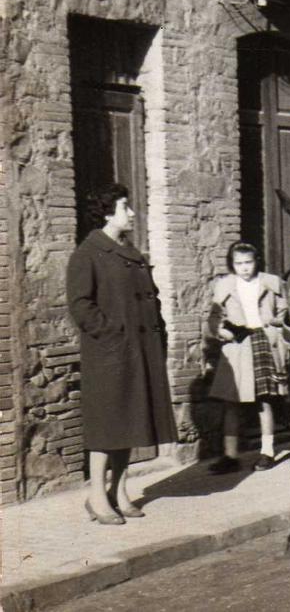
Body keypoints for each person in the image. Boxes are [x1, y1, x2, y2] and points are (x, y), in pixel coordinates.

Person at [67, 184, 177, 524]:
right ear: (107, 213)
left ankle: (120, 490)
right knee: (107, 425)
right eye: (125, 206)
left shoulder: (131, 253)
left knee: (131, 420)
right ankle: (97, 496)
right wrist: (111, 334)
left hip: (139, 351)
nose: (131, 212)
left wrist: (158, 334)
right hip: (110, 354)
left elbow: (151, 298)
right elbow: (81, 305)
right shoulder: (88, 253)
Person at [205, 242, 288, 474]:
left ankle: (267, 451)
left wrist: (273, 326)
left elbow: (285, 311)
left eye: (248, 262)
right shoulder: (226, 285)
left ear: (256, 261)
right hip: (238, 346)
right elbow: (214, 316)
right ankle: (230, 456)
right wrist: (221, 331)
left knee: (265, 399)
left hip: (263, 342)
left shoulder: (271, 282)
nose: (244, 268)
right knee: (231, 401)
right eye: (238, 263)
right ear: (232, 265)